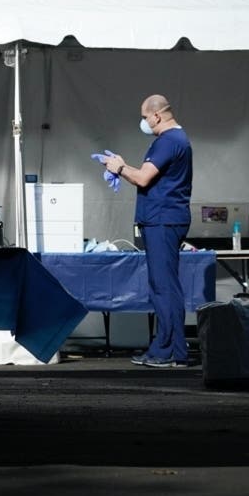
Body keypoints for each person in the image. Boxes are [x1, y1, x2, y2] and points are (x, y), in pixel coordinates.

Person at [102, 95, 193, 368]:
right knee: (163, 286)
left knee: (164, 287)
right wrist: (122, 165)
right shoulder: (177, 140)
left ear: (156, 116)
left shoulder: (168, 141)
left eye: (144, 117)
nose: (143, 122)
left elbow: (143, 177)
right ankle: (169, 349)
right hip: (162, 219)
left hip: (163, 221)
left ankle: (170, 352)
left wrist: (120, 168)